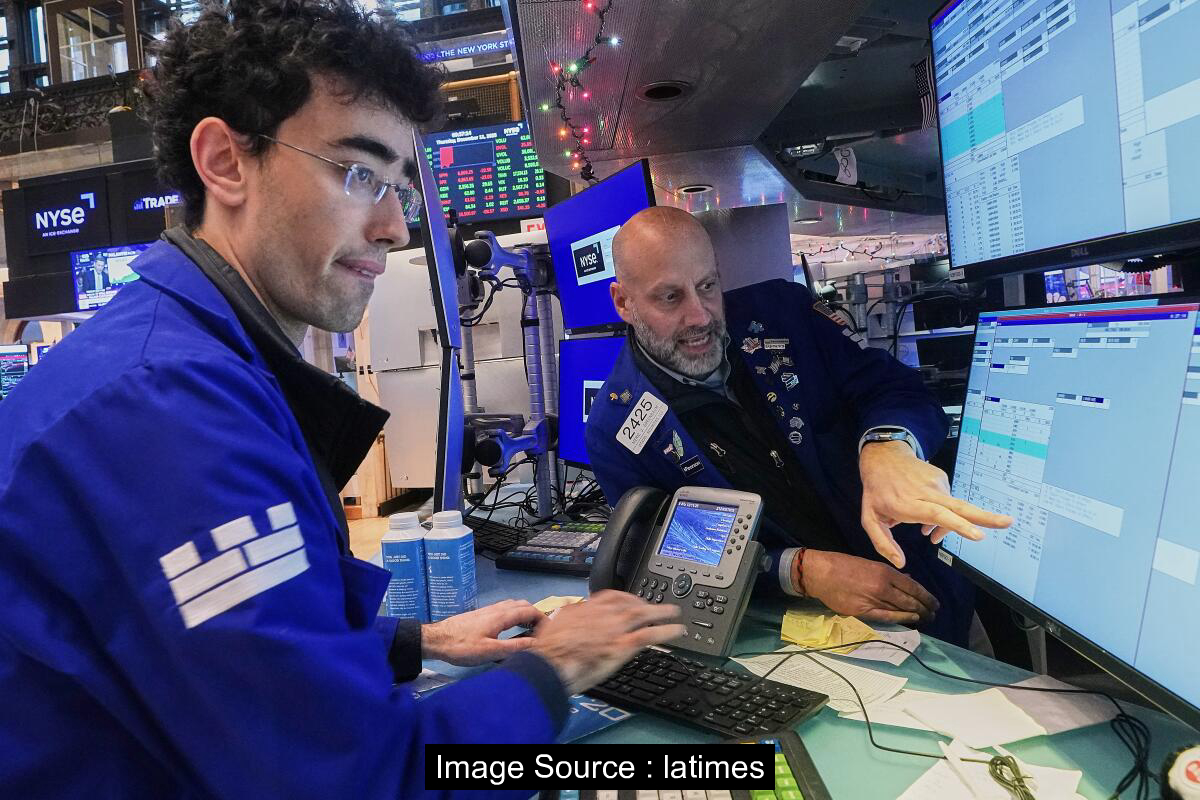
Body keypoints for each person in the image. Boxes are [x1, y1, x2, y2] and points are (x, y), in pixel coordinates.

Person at [0, 3, 682, 798]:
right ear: (225, 162)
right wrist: (553, 670)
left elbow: (208, 644)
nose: (394, 227)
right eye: (360, 174)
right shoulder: (165, 410)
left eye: (399, 188)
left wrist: (418, 641)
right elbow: (363, 783)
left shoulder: (187, 360)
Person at [584, 206, 1011, 646]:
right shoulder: (616, 430)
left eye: (707, 286)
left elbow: (898, 390)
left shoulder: (783, 314)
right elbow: (665, 557)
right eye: (670, 297)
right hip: (799, 640)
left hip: (931, 596)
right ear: (623, 302)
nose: (700, 316)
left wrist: (888, 445)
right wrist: (800, 570)